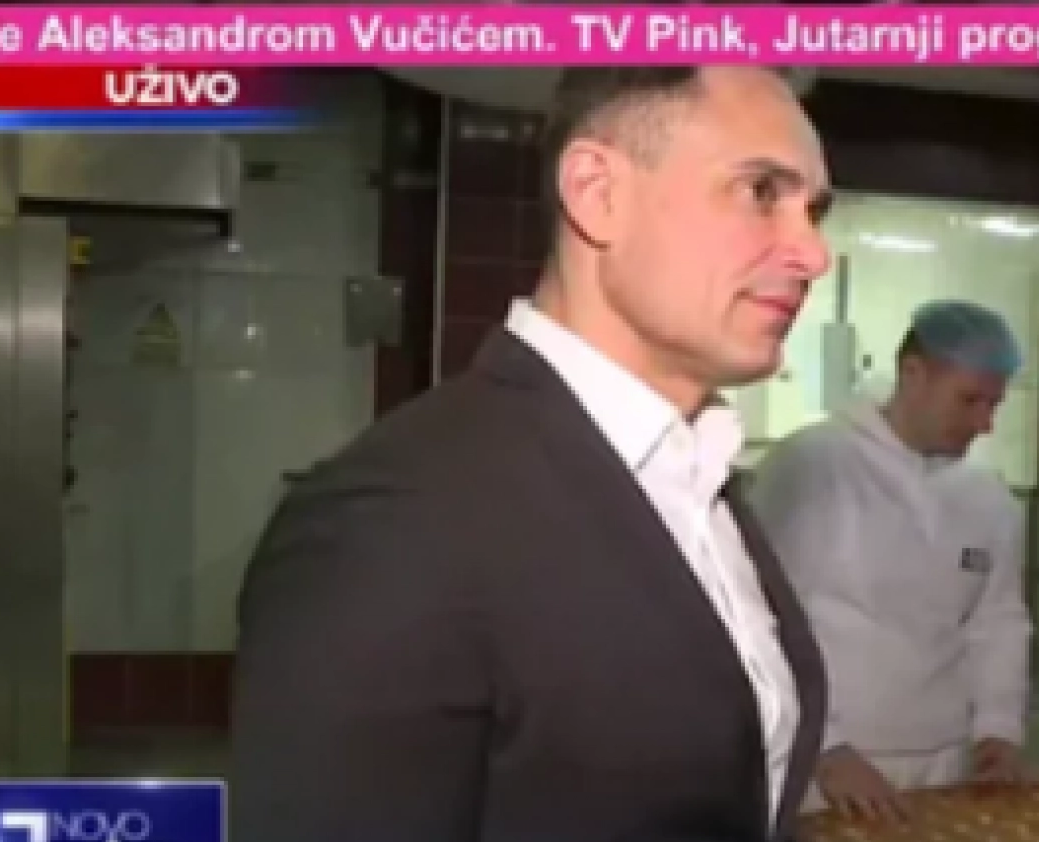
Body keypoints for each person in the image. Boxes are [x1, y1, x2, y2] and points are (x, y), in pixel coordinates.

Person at [229, 67, 833, 842]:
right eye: (760, 192)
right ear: (596, 193)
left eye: (814, 212)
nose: (812, 253)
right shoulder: (391, 519)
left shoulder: (696, 474)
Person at [751, 301, 1034, 821]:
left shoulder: (986, 496)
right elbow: (759, 619)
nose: (984, 423)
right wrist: (824, 745)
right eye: (969, 400)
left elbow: (997, 621)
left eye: (993, 404)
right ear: (913, 374)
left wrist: (998, 727)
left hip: (946, 761)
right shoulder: (812, 468)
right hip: (830, 768)